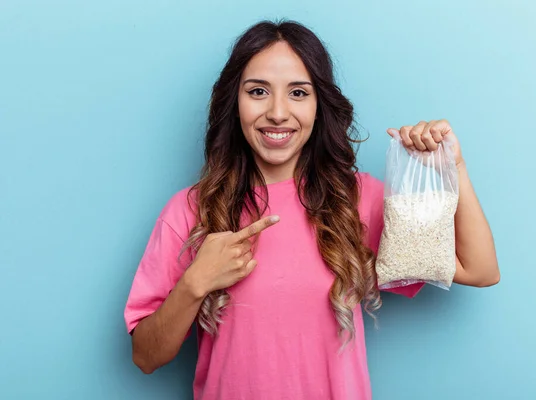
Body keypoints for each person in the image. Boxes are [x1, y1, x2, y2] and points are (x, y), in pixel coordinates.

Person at [123, 19, 500, 400]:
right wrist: (195, 282)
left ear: (319, 105)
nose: (277, 112)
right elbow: (146, 356)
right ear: (233, 102)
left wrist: (455, 169)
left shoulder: (355, 200)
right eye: (258, 91)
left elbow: (480, 270)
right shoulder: (191, 210)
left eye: (298, 93)